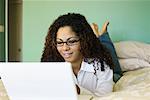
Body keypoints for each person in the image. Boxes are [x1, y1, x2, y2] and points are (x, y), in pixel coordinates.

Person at [41, 13, 114, 96]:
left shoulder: (100, 64)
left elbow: (104, 96)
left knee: (108, 52)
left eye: (71, 41)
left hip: (97, 56)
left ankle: (103, 35)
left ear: (84, 41)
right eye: (59, 42)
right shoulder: (52, 66)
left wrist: (78, 90)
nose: (65, 48)